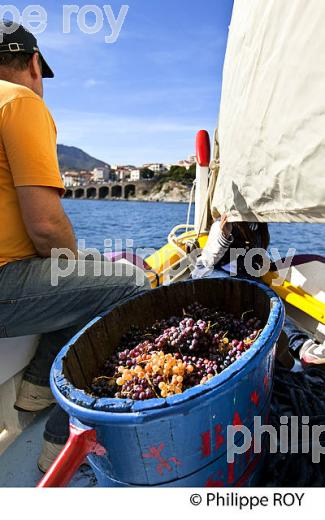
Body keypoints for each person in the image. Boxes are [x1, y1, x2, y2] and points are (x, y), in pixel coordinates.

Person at [0, 21, 150, 471]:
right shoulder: (18, 100)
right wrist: (85, 261)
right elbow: (46, 228)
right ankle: (59, 447)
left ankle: (34, 391)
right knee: (128, 283)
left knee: (81, 278)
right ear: (33, 65)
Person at [193, 215, 325, 369]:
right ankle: (295, 345)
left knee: (272, 302)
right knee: (257, 299)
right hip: (219, 275)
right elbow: (205, 264)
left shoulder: (258, 225)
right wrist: (223, 236)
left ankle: (300, 346)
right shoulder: (223, 223)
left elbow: (256, 257)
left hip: (246, 276)